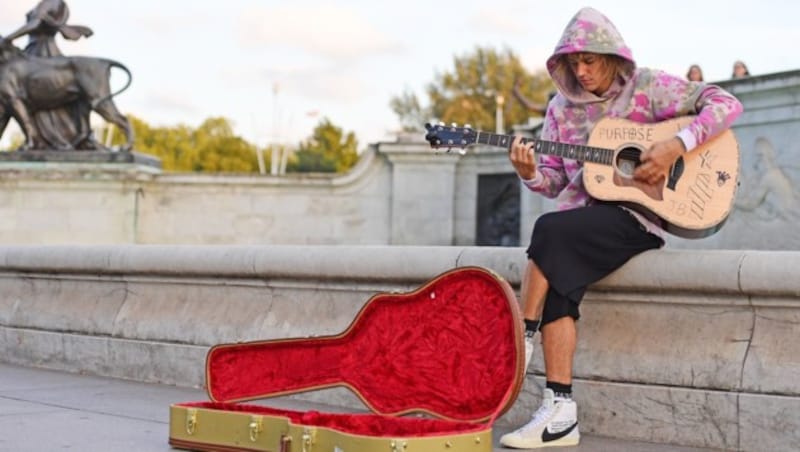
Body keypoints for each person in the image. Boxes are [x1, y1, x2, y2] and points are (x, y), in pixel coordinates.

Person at [499, 7, 742, 449]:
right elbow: (554, 183)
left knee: (549, 232)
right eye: (573, 63)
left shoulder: (648, 87)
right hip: (581, 225)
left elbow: (727, 104)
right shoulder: (560, 110)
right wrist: (529, 172)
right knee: (558, 273)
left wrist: (675, 145)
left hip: (638, 217)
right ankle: (560, 413)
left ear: (611, 55)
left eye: (590, 61)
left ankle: (520, 338)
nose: (582, 71)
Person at [1, 0, 95, 150]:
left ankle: (44, 139)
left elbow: (35, 24)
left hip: (43, 53)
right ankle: (36, 139)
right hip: (31, 52)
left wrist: (9, 38)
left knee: (36, 95)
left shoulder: (53, 3)